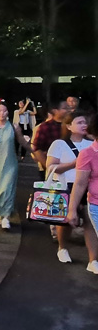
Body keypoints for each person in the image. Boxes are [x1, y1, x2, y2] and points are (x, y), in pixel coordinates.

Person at [46, 111, 98, 265]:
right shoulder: (59, 144)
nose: (84, 125)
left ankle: (93, 259)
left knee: (90, 223)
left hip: (88, 188)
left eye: (85, 122)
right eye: (79, 122)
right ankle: (62, 248)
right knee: (65, 221)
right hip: (65, 185)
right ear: (68, 126)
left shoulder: (91, 143)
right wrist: (75, 163)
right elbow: (50, 167)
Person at [0, 103, 33, 230]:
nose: (2, 113)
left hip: (10, 164)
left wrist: (34, 151)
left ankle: (6, 217)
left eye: (5, 110)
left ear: (8, 112)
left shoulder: (14, 127)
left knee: (7, 189)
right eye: (0, 111)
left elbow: (22, 142)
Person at [69, 114, 98, 274]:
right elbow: (80, 184)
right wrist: (72, 210)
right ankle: (93, 260)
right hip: (96, 205)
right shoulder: (88, 153)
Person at [32, 99, 68, 180]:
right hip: (54, 172)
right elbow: (37, 149)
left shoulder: (72, 126)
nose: (68, 110)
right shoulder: (45, 127)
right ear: (55, 110)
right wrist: (49, 166)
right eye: (65, 108)